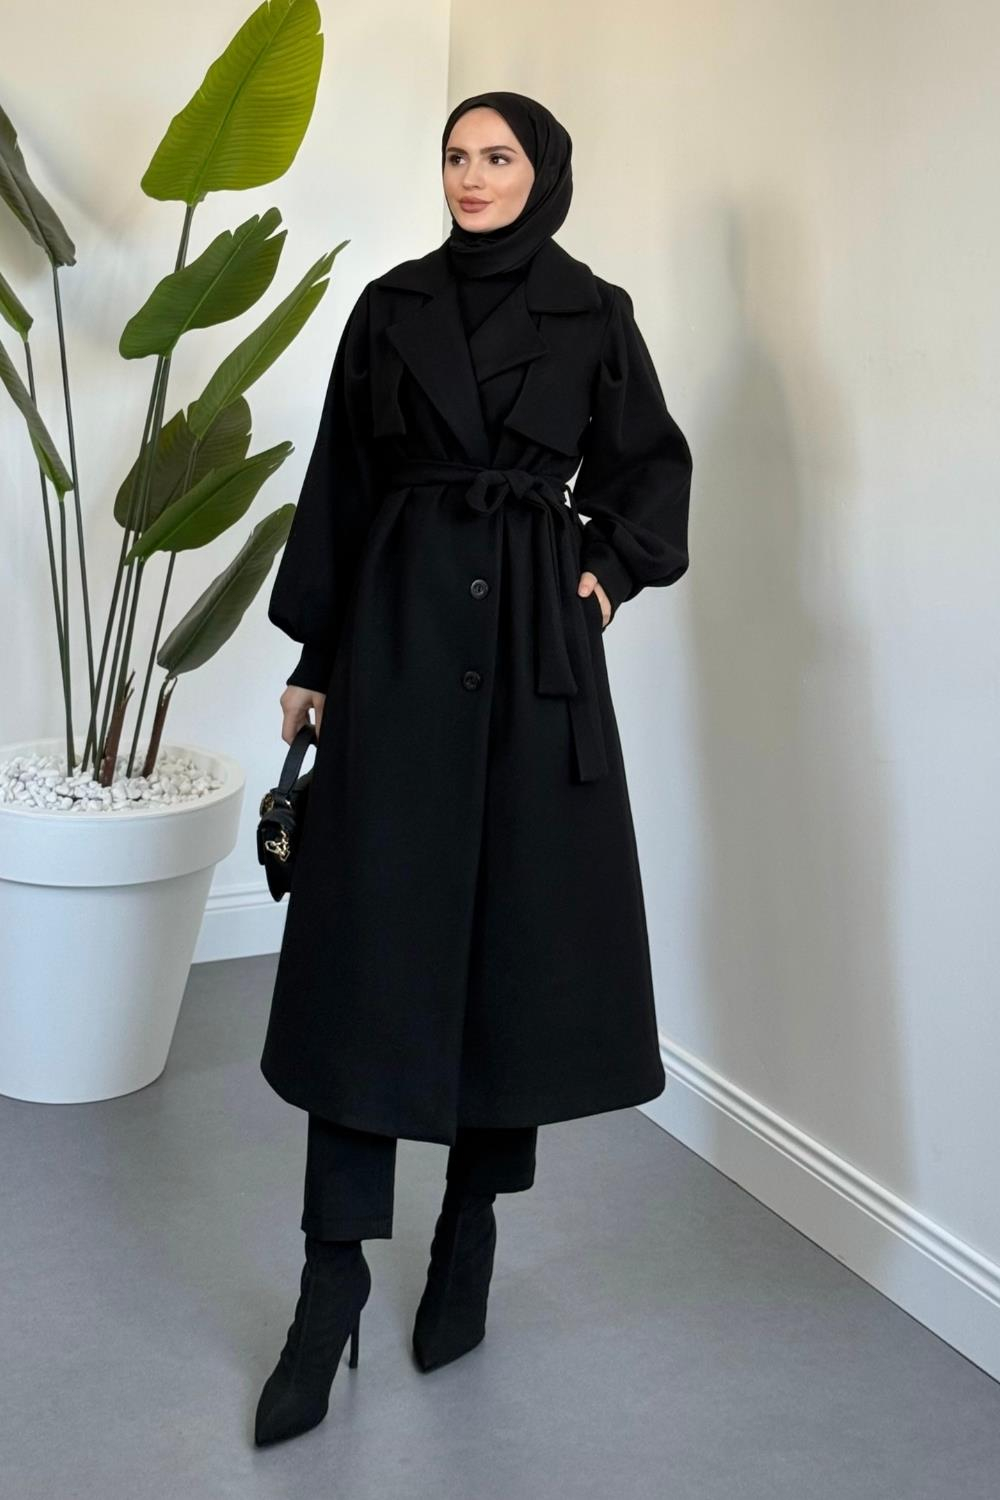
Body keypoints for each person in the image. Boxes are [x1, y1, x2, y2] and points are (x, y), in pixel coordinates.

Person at [254, 89, 693, 1447]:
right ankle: (329, 1282)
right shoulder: (390, 306)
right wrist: (318, 656)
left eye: (497, 156)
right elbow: (341, 484)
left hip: (528, 661)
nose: (471, 175)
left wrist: (600, 581)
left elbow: (651, 471)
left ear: (542, 171)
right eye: (455, 155)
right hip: (393, 643)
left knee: (516, 951)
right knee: (361, 955)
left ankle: (469, 1232)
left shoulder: (594, 312)